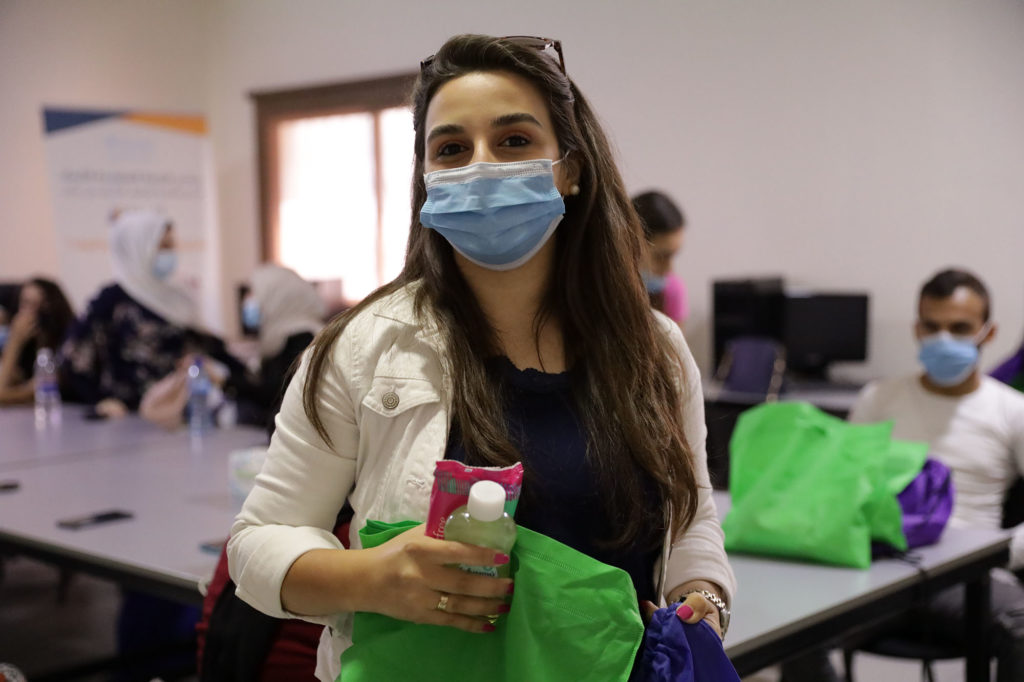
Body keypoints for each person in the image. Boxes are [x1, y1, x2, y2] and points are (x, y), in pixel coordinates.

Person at [228, 34, 736, 681]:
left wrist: (707, 602)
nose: (481, 166)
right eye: (451, 150)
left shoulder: (655, 350)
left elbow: (694, 521)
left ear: (570, 169)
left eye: (514, 141)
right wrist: (372, 578)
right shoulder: (363, 347)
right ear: (427, 182)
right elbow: (256, 544)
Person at [782, 268, 1024, 682]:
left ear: (989, 332)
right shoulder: (878, 400)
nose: (944, 339)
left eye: (960, 328)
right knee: (795, 630)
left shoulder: (1012, 410)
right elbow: (841, 489)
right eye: (932, 326)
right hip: (880, 569)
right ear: (917, 328)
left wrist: (999, 551)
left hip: (970, 577)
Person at [60, 208, 197, 416]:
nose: (170, 253)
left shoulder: (175, 297)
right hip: (128, 417)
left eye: (171, 245)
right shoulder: (112, 300)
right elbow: (73, 356)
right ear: (139, 248)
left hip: (174, 410)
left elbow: (201, 346)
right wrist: (100, 401)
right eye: (162, 246)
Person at [238, 263, 325, 427]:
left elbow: (273, 394)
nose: (248, 301)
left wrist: (224, 381)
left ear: (277, 297)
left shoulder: (304, 338)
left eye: (254, 293)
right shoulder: (279, 336)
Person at [0, 277, 74, 405]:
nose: (24, 313)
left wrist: (15, 342)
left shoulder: (66, 347)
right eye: (23, 304)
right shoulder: (26, 348)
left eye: (33, 304)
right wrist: (15, 343)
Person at [632, 190, 688, 328]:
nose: (670, 269)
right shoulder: (601, 290)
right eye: (661, 256)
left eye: (673, 255)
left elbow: (676, 348)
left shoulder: (672, 290)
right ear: (631, 243)